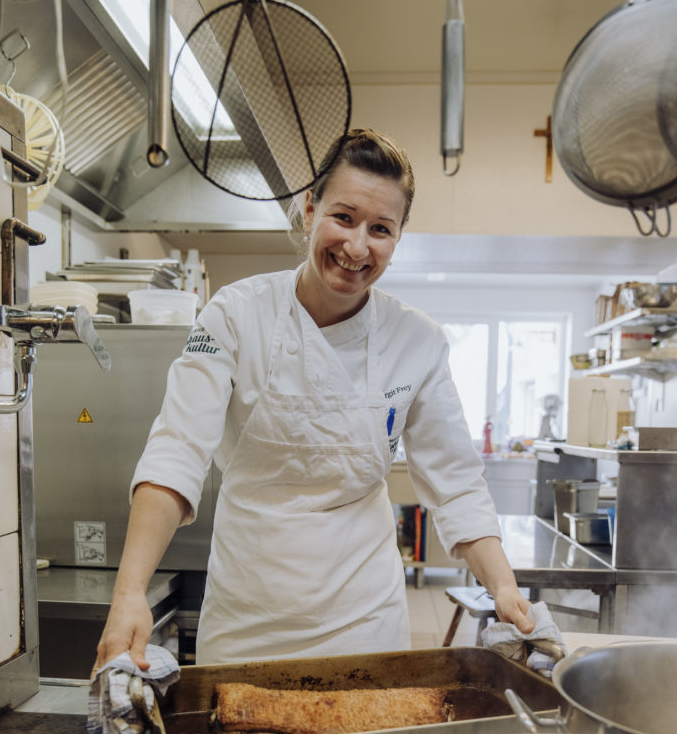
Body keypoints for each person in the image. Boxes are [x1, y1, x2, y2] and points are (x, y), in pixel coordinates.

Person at [95, 127, 533, 673]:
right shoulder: (235, 315)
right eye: (343, 217)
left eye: (381, 229)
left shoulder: (417, 340)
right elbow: (177, 450)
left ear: (398, 239)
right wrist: (130, 591)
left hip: (364, 617)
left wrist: (506, 590)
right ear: (309, 210)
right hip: (249, 614)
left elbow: (456, 481)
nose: (357, 246)